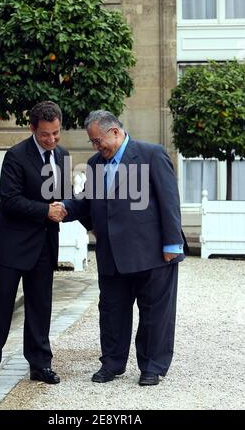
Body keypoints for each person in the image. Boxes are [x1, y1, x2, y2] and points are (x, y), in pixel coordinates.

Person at [61, 110, 185, 386]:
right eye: (93, 142)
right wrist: (63, 208)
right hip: (111, 256)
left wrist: (172, 244)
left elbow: (169, 201)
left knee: (155, 313)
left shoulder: (151, 154)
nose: (95, 147)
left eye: (97, 141)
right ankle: (112, 365)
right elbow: (86, 202)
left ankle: (152, 366)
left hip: (152, 253)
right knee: (111, 312)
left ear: (114, 132)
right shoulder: (95, 164)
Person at [0, 101, 68, 387]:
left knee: (41, 307)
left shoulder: (62, 156)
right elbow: (11, 199)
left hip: (44, 246)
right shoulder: (15, 156)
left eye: (56, 133)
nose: (51, 140)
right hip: (11, 246)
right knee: (1, 306)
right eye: (45, 135)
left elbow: (62, 199)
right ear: (32, 129)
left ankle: (40, 365)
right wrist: (46, 211)